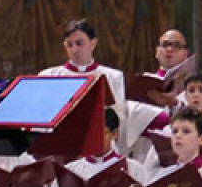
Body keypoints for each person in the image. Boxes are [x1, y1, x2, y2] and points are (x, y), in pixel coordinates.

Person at [40, 19, 134, 149]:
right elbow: (41, 117)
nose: (74, 50)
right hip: (59, 144)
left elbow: (119, 118)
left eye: (79, 43)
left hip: (98, 144)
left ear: (93, 43)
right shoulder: (48, 76)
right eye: (69, 44)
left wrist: (120, 150)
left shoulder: (112, 76)